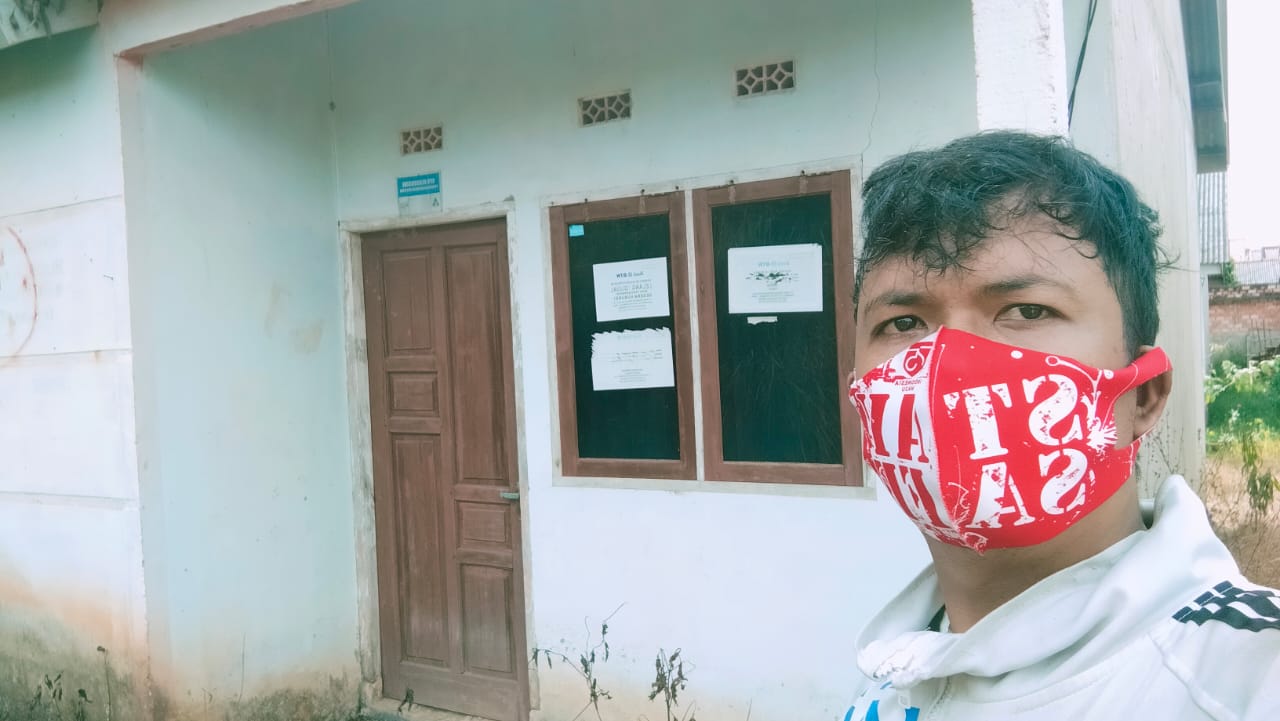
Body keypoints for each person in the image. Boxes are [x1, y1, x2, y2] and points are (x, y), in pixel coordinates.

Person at [843, 131, 1280, 720]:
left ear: (1143, 395)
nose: (948, 363)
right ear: (861, 397)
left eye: (1026, 311)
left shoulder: (1246, 677)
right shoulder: (892, 667)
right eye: (903, 323)